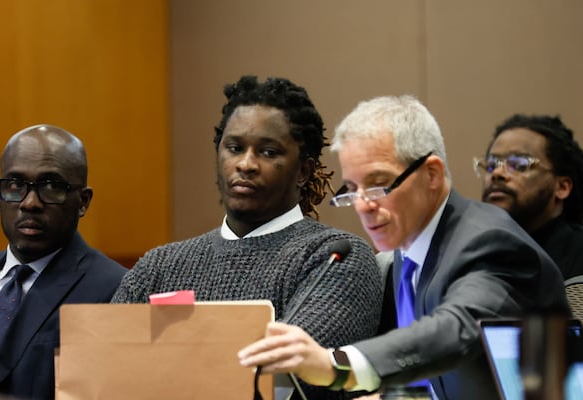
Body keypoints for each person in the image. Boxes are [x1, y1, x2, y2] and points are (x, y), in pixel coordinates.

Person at [237, 95, 570, 400]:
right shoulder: (409, 245)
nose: (363, 205)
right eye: (352, 189)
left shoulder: (488, 243)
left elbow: (456, 332)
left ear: (431, 175)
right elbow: (435, 374)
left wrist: (336, 364)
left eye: (380, 184)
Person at [111, 76, 385, 399]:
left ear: (304, 171)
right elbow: (107, 365)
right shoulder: (159, 266)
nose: (245, 164)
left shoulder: (334, 257)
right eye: (235, 148)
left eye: (268, 152)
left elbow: (292, 380)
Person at [0, 125, 127, 399]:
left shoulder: (116, 290)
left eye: (51, 187)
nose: (30, 203)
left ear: (83, 201)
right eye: (15, 185)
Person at [477, 114, 583, 280]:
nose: (497, 173)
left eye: (519, 165)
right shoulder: (474, 254)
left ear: (562, 187)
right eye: (491, 165)